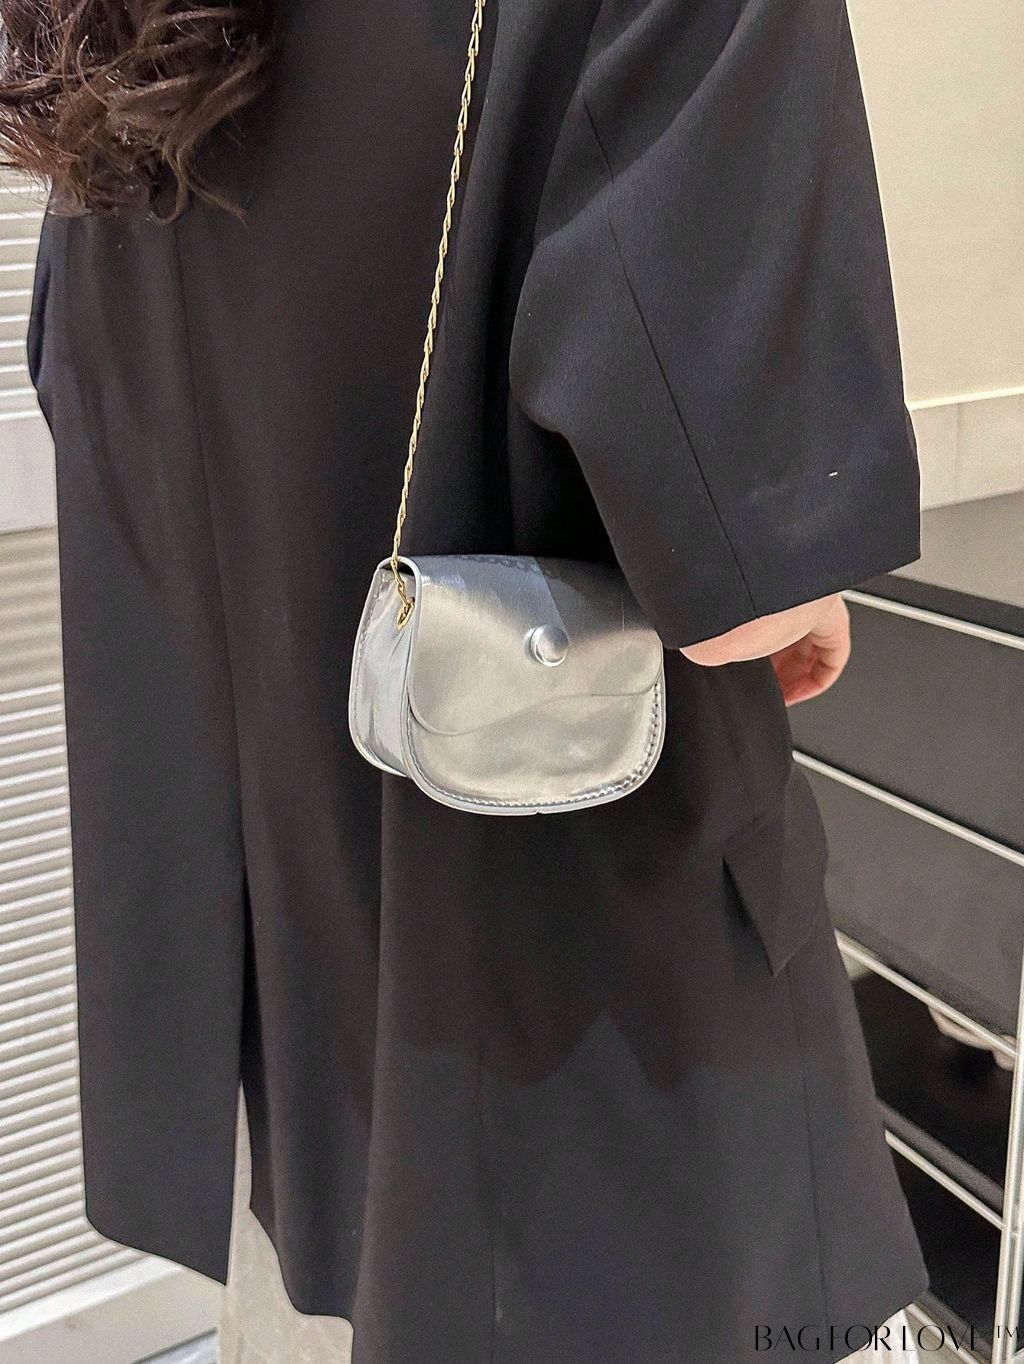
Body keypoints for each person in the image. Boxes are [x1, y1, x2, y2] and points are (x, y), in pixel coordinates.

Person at [2, 1, 929, 1360]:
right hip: (572, 1021)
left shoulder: (115, 29)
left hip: (281, 1020)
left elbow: (90, 392)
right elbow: (745, 570)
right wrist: (801, 597)